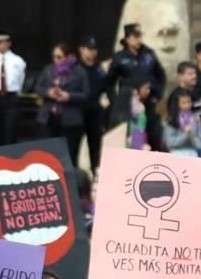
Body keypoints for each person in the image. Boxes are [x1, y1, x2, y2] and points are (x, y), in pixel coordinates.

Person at [106, 23, 167, 151]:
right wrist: (116, 102)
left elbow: (161, 75)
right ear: (127, 39)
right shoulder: (120, 57)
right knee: (132, 139)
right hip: (129, 106)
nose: (139, 39)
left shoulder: (149, 54)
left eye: (140, 36)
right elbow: (109, 82)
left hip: (148, 103)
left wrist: (158, 94)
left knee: (154, 136)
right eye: (135, 36)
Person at [35, 43, 89, 165]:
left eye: (59, 57)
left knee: (68, 154)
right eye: (54, 57)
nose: (56, 60)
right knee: (46, 153)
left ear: (68, 57)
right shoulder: (48, 69)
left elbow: (86, 95)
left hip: (70, 119)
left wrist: (69, 96)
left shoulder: (79, 72)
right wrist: (48, 92)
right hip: (49, 117)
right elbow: (38, 87)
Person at [76, 36, 108, 172]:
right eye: (89, 49)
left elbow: (105, 87)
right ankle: (75, 177)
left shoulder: (99, 68)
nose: (92, 52)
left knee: (95, 146)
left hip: (95, 110)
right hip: (78, 110)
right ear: (81, 50)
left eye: (94, 49)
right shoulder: (75, 68)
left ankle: (96, 174)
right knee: (74, 145)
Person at [163, 88, 201, 158]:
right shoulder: (171, 120)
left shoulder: (195, 119)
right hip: (176, 155)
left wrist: (193, 136)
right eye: (183, 103)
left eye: (189, 102)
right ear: (176, 104)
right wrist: (185, 135)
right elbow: (170, 142)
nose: (187, 105)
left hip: (193, 154)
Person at [126, 75, 154, 151]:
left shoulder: (143, 107)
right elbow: (135, 137)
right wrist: (141, 115)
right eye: (135, 96)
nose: (138, 98)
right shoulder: (125, 117)